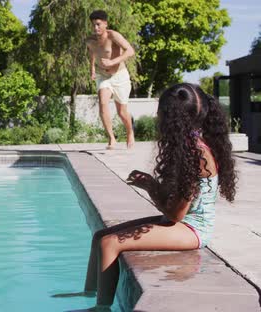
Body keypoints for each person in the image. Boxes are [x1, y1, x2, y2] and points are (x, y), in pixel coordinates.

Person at [55, 83, 237, 310]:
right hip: (183, 223)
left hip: (194, 230)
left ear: (171, 118)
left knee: (109, 244)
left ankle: (101, 308)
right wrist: (152, 184)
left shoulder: (196, 153)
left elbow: (176, 214)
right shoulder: (190, 145)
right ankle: (88, 294)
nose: (157, 118)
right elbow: (176, 203)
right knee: (100, 236)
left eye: (160, 113)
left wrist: (151, 188)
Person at [86, 10, 135, 150]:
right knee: (103, 102)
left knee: (122, 112)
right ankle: (111, 138)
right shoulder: (90, 40)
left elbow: (130, 51)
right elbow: (92, 52)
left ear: (105, 24)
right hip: (103, 76)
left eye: (98, 24)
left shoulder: (113, 36)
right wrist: (92, 69)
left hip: (120, 76)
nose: (95, 28)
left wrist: (113, 62)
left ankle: (130, 131)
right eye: (93, 25)